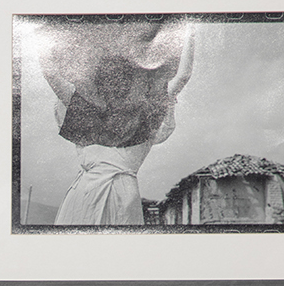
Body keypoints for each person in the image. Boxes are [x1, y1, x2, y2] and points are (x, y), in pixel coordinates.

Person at [36, 19, 194, 226]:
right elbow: (183, 76)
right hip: (116, 197)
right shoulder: (146, 116)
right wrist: (189, 31)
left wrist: (41, 34)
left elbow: (51, 73)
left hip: (88, 196)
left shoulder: (86, 111)